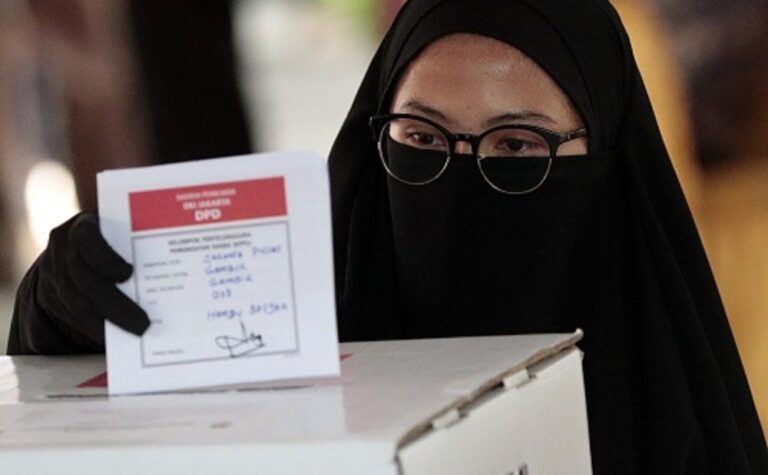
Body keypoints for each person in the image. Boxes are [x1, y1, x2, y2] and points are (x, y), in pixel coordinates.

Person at [7, 0, 767, 472]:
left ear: (604, 158)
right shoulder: (295, 332)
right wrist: (63, 322)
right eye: (422, 140)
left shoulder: (672, 415)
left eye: (518, 146)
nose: (461, 181)